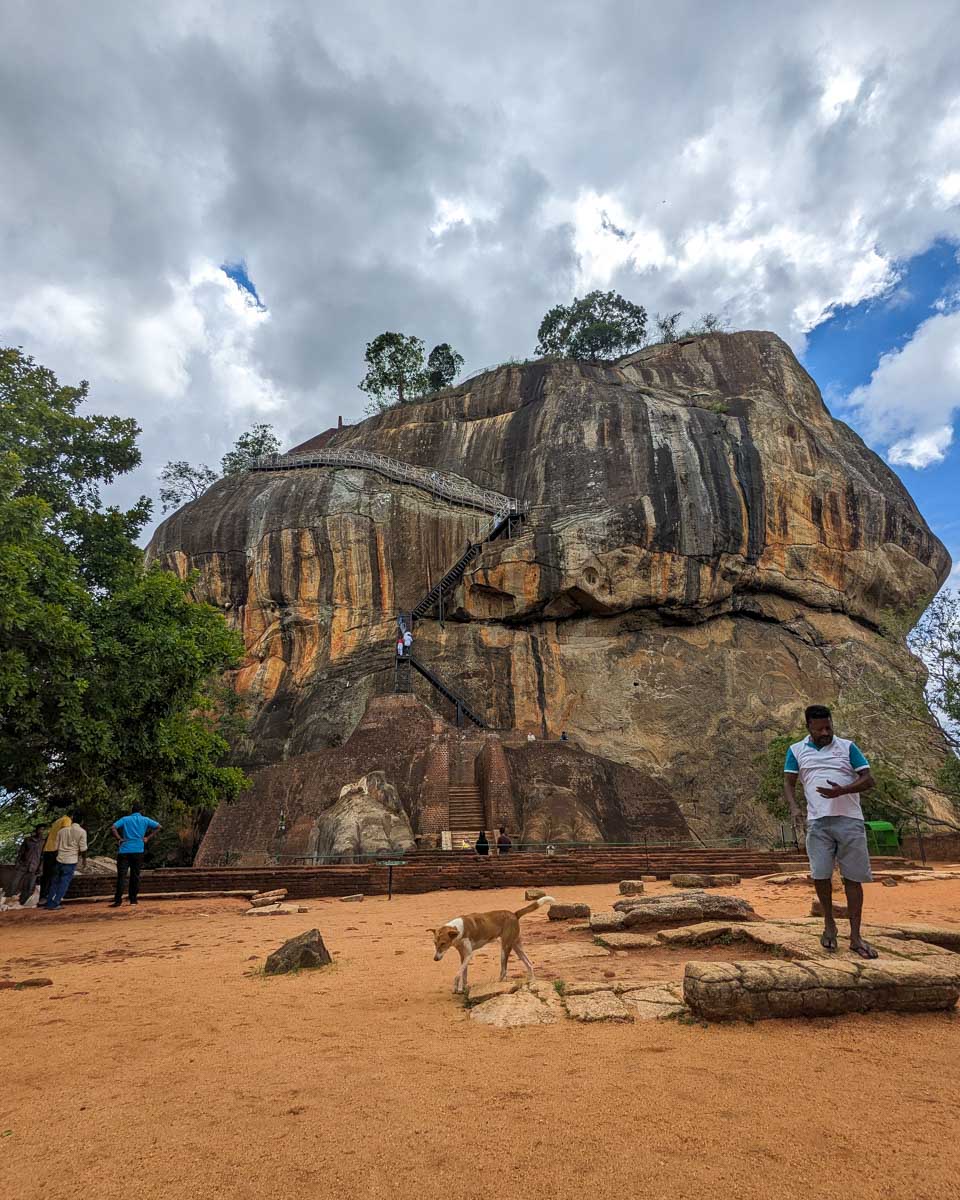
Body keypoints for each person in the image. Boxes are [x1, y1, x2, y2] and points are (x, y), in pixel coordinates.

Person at [783, 704, 878, 958]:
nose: (826, 732)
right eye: (820, 728)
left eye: (829, 727)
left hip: (849, 820)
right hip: (818, 822)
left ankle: (856, 936)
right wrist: (795, 808)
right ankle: (829, 924)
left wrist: (843, 790)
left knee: (853, 878)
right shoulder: (796, 750)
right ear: (808, 728)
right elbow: (789, 782)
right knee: (821, 876)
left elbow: (869, 779)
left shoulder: (847, 747)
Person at [110, 803, 161, 907]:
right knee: (135, 875)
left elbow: (113, 827)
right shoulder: (145, 819)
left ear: (131, 810)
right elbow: (159, 826)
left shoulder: (125, 819)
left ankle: (118, 900)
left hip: (124, 850)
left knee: (121, 876)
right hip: (138, 850)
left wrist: (119, 838)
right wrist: (147, 837)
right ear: (141, 811)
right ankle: (133, 899)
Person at [44, 814, 87, 910]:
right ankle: (56, 902)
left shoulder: (61, 831)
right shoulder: (82, 832)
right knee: (64, 882)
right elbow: (83, 849)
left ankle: (50, 902)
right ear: (82, 822)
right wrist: (84, 859)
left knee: (55, 881)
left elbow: (56, 846)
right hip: (71, 860)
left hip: (59, 859)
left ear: (72, 819)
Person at [39, 813, 72, 902]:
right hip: (56, 850)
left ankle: (43, 897)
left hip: (48, 850)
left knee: (47, 875)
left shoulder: (57, 822)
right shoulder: (67, 820)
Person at [11, 826, 45, 905]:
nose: (41, 831)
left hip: (35, 867)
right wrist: (18, 863)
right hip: (23, 865)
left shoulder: (44, 842)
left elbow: (43, 856)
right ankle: (10, 900)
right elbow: (21, 853)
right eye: (40, 829)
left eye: (43, 830)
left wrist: (40, 868)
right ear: (36, 830)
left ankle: (22, 903)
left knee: (29, 887)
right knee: (14, 883)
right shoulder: (27, 840)